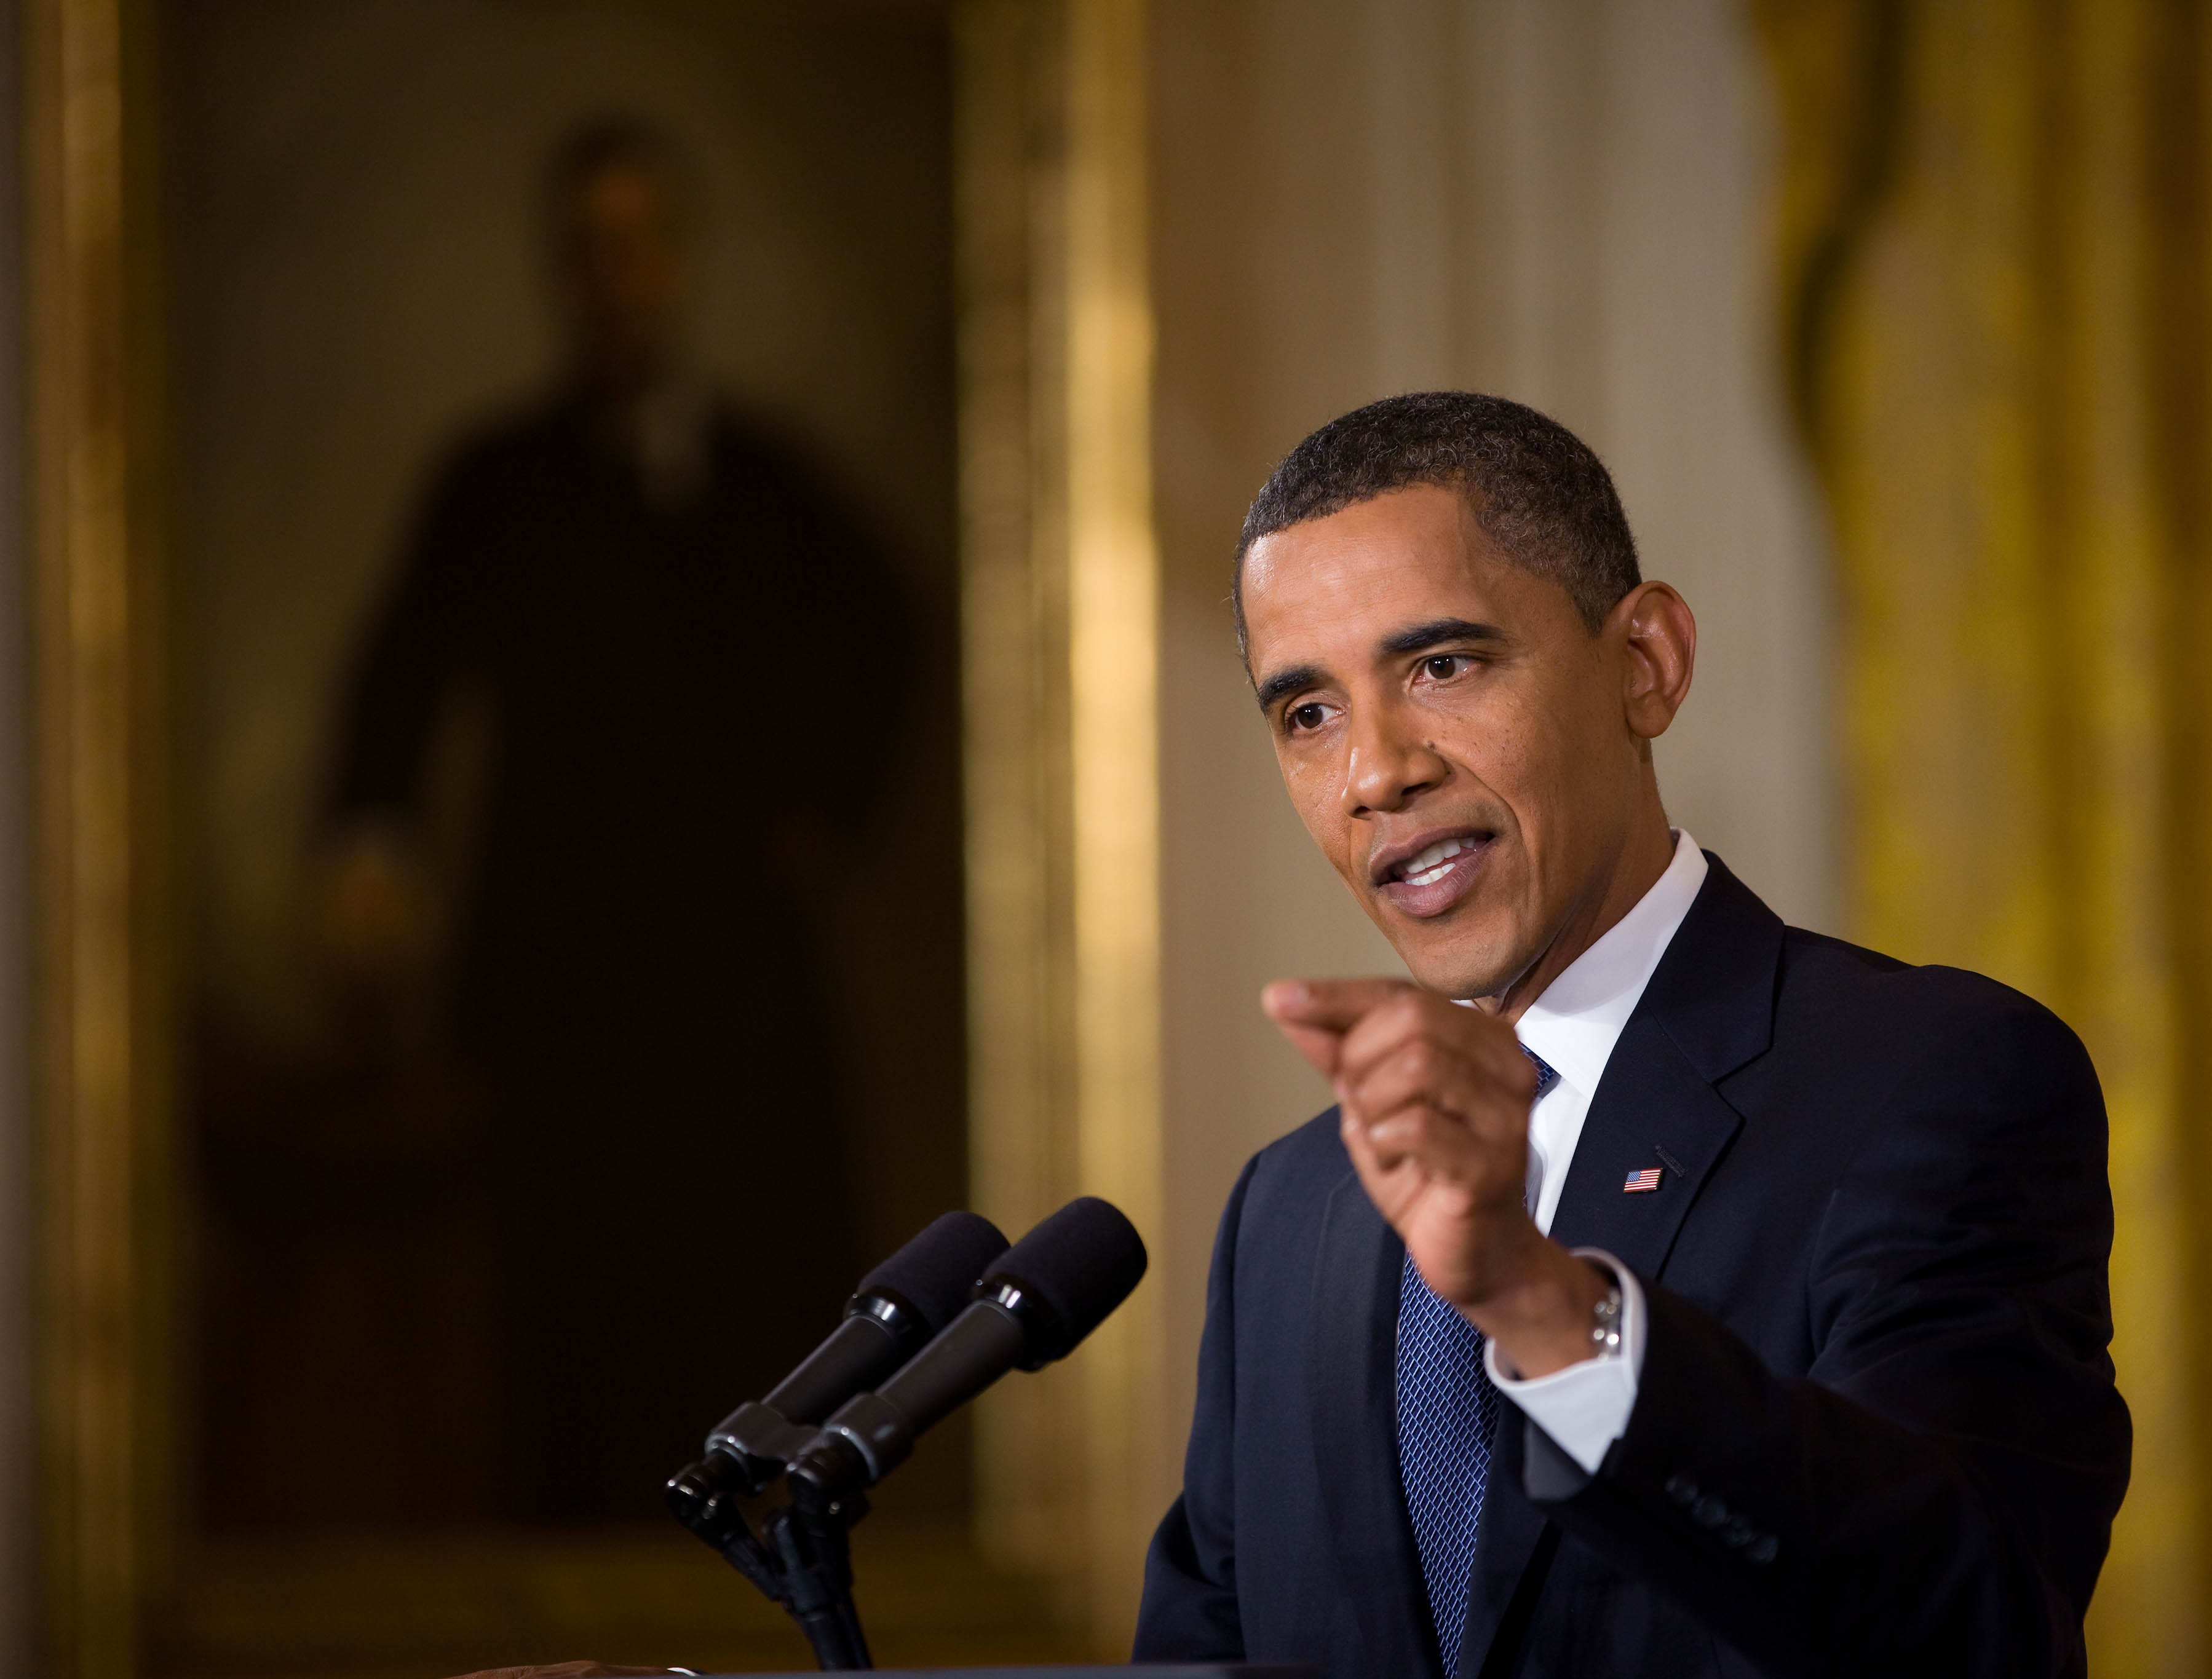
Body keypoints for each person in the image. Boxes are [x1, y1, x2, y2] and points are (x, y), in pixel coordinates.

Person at [1132, 393, 2131, 1676]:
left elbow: (1974, 1630)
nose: (1373, 772)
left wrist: (1545, 1309)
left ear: (1644, 662)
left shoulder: (1931, 1081)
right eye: (1306, 713)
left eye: (1440, 665)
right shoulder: (1290, 1207)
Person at [320, 119, 900, 1519]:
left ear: (680, 265)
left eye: (641, 245)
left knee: (747, 1307)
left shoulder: (770, 486)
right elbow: (393, 686)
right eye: (591, 250)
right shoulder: (495, 481)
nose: (618, 277)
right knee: (557, 1329)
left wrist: (821, 816)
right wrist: (371, 848)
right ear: (559, 273)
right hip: (552, 988)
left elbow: (890, 644)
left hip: (730, 1001)